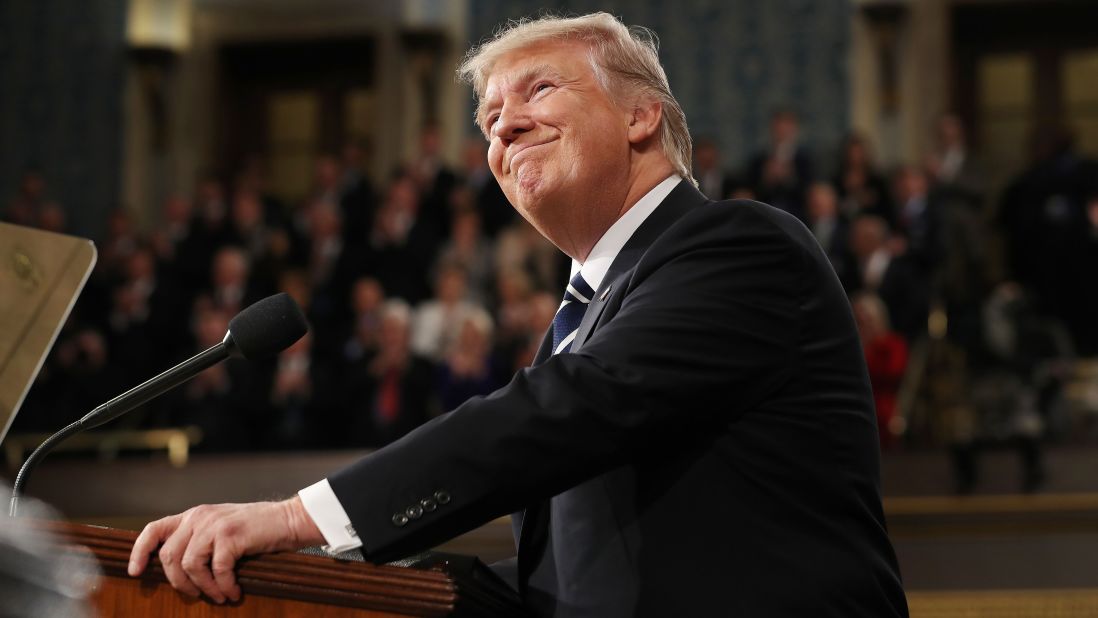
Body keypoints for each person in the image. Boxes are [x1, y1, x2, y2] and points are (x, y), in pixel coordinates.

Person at [128, 13, 907, 617]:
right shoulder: (581, 319)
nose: (502, 127)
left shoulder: (738, 247)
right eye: (489, 117)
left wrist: (303, 519)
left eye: (537, 90)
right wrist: (338, 585)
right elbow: (576, 578)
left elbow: (570, 410)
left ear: (641, 116)